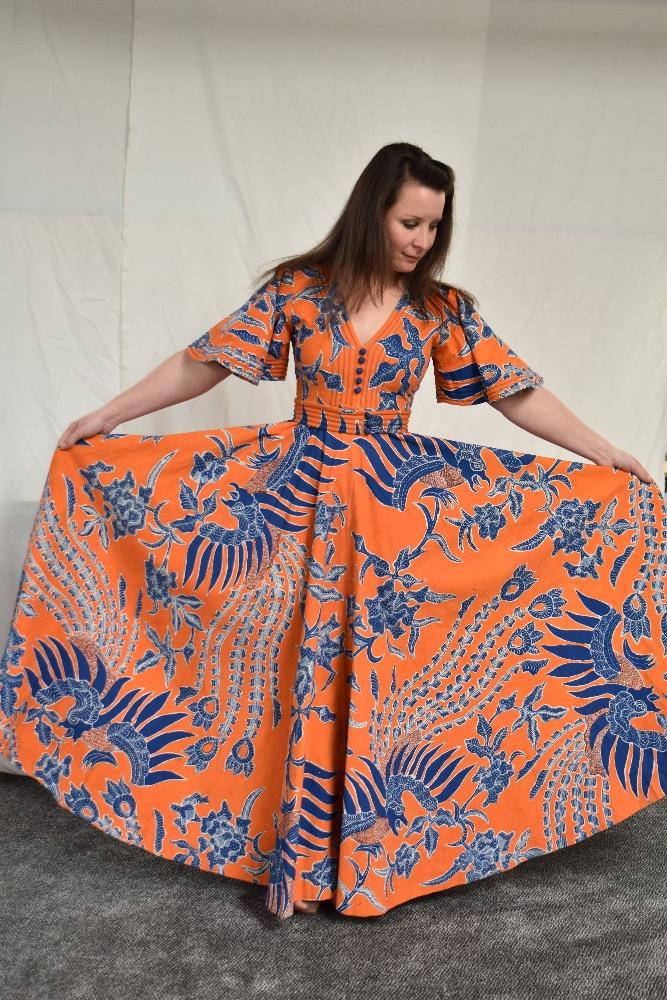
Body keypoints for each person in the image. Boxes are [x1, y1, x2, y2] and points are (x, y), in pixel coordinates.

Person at [1, 142, 665, 921]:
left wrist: (603, 451)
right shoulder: (297, 291)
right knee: (292, 678)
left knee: (378, 684)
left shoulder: (439, 310)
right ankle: (293, 857)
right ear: (372, 210)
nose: (421, 240)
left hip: (390, 521)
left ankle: (368, 860)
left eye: (432, 227)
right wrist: (107, 418)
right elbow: (203, 363)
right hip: (297, 511)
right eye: (409, 221)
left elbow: (514, 393)